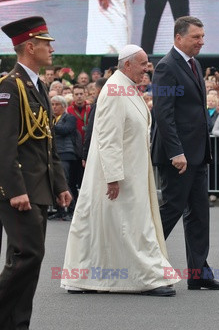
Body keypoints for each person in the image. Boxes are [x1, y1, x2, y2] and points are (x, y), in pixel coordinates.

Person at [61, 44, 178, 296]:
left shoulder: (127, 88)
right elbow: (108, 137)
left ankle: (88, 277)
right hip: (118, 174)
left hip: (132, 170)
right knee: (129, 226)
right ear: (127, 64)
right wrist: (113, 177)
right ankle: (147, 277)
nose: (147, 69)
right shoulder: (115, 90)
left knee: (111, 226)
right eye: (143, 64)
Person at [151, 16, 219, 290]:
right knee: (171, 211)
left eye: (202, 36)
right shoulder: (165, 67)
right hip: (178, 157)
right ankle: (144, 266)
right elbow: (163, 114)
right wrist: (176, 152)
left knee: (199, 214)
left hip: (197, 155)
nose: (202, 41)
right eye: (196, 37)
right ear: (178, 38)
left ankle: (199, 275)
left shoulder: (194, 64)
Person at [0, 16, 71, 330]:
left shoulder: (39, 85)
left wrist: (60, 184)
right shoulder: (9, 86)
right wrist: (14, 189)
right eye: (46, 43)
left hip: (38, 188)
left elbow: (46, 139)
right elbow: (4, 144)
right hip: (19, 190)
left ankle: (17, 323)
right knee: (28, 255)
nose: (50, 49)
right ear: (29, 47)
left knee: (29, 260)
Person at [50, 95, 79, 220]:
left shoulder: (70, 118)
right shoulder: (52, 119)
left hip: (66, 153)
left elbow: (65, 130)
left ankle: (72, 209)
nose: (54, 107)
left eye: (57, 104)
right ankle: (60, 210)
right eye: (52, 104)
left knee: (65, 181)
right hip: (54, 154)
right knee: (55, 182)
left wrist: (49, 126)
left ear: (64, 106)